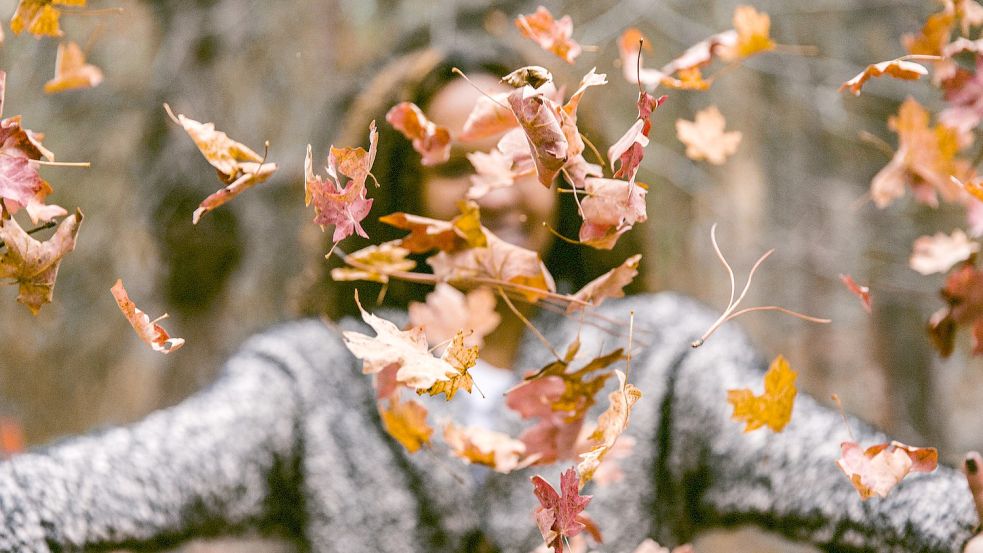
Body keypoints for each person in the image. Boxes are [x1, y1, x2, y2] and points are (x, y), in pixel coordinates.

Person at [1, 31, 982, 553]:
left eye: (522, 154)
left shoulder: (658, 360)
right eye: (452, 165)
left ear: (563, 182)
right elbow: (103, 486)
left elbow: (851, 482)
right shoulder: (313, 384)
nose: (492, 187)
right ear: (398, 203)